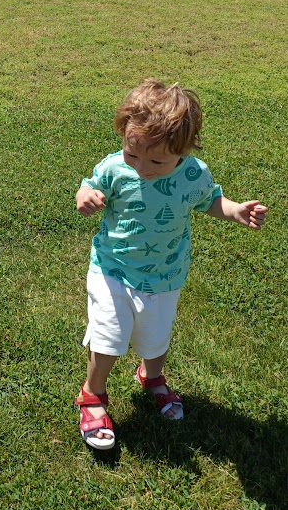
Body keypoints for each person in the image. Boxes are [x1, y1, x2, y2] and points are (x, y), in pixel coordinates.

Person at [74, 79, 267, 450]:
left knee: (156, 336)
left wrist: (234, 211)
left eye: (157, 160)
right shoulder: (115, 168)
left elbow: (209, 201)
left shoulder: (192, 174)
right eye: (134, 155)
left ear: (182, 150)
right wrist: (86, 196)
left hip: (166, 273)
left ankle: (152, 377)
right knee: (108, 337)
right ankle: (93, 395)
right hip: (112, 268)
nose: (142, 167)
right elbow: (89, 184)